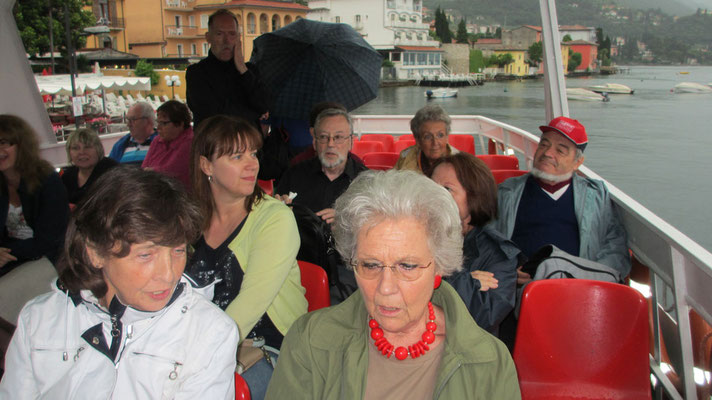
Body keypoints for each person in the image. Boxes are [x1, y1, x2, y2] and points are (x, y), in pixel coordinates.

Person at [266, 170, 520, 399]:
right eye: (371, 265)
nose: (385, 288)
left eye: (407, 266)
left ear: (439, 267)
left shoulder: (490, 363)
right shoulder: (309, 342)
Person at [0, 167, 239, 399]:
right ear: (95, 253)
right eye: (146, 255)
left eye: (178, 251)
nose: (168, 275)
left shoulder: (210, 333)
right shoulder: (39, 320)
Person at [186, 115, 307, 400]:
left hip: (271, 347)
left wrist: (194, 356)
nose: (252, 164)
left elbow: (249, 306)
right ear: (206, 166)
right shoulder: (190, 220)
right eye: (237, 156)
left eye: (252, 153)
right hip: (202, 340)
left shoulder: (274, 219)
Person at [494, 116, 630, 284]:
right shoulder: (507, 192)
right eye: (544, 144)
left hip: (577, 289)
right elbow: (485, 240)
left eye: (560, 150)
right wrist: (504, 271)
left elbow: (615, 250)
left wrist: (586, 278)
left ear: (577, 162)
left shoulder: (596, 197)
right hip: (518, 289)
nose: (547, 153)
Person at [429, 153, 520, 335]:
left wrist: (450, 280)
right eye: (431, 188)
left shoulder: (499, 254)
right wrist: (468, 283)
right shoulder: (413, 237)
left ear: (473, 197)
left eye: (447, 189)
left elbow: (481, 318)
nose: (434, 196)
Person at [0, 115, 69, 277]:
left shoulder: (47, 182)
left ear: (22, 145)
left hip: (50, 262)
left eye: (3, 143)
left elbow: (50, 241)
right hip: (11, 262)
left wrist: (6, 252)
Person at [275, 108, 367, 225]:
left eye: (338, 137)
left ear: (351, 142)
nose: (330, 144)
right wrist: (278, 210)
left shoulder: (366, 181)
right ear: (314, 142)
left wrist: (346, 221)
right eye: (323, 137)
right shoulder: (293, 175)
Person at [186, 9, 270, 129]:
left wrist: (242, 68)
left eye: (232, 34)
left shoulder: (250, 71)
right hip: (214, 145)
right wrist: (253, 113)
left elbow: (264, 105)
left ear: (238, 38)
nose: (227, 41)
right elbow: (213, 114)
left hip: (249, 145)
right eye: (219, 34)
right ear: (208, 37)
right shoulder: (196, 73)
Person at [142, 100, 194, 188]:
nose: (158, 128)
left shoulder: (190, 142)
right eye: (158, 123)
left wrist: (151, 171)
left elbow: (172, 171)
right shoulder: (157, 140)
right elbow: (144, 167)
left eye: (164, 123)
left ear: (180, 124)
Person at [394, 104, 459, 174]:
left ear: (447, 137)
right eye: (428, 137)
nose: (435, 143)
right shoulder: (406, 157)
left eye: (440, 135)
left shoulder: (460, 163)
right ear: (418, 141)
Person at [61, 128, 118, 205]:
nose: (81, 152)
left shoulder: (112, 171)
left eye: (87, 147)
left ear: (98, 149)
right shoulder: (67, 177)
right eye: (75, 148)